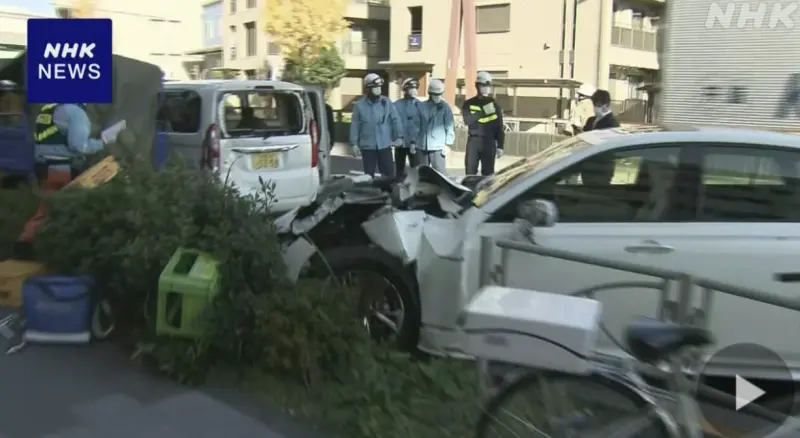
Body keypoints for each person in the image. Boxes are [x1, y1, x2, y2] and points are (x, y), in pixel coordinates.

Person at [16, 103, 121, 256]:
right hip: (61, 168)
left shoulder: (48, 110)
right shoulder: (75, 112)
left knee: (46, 207)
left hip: (44, 167)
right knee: (73, 207)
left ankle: (26, 241)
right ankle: (70, 250)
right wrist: (104, 141)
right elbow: (79, 146)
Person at [349, 73, 403, 177]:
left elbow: (395, 120)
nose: (378, 89)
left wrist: (399, 136)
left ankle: (388, 192)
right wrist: (354, 143)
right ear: (368, 88)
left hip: (385, 145)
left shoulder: (386, 102)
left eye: (379, 87)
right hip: (368, 146)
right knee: (368, 176)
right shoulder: (359, 106)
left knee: (389, 174)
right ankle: (371, 193)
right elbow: (355, 125)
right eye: (375, 87)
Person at [462, 71, 505, 176]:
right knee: (470, 172)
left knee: (488, 175)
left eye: (488, 85)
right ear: (477, 86)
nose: (486, 88)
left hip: (489, 142)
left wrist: (500, 146)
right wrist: (483, 111)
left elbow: (499, 127)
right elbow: (467, 120)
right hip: (473, 141)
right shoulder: (469, 104)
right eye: (483, 85)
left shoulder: (494, 105)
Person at [418, 79, 455, 173]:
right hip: (422, 146)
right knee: (421, 174)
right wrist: (413, 142)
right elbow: (416, 125)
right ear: (430, 94)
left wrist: (448, 144)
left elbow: (450, 126)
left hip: (438, 147)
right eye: (435, 94)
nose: (437, 97)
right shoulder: (422, 106)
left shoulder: (445, 107)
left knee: (441, 175)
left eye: (439, 94)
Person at [392, 78, 422, 176]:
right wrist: (395, 138)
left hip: (415, 144)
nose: (414, 91)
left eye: (416, 88)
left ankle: (416, 190)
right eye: (411, 88)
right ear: (405, 90)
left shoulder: (421, 106)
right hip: (400, 143)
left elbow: (423, 126)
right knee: (399, 170)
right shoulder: (396, 105)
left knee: (416, 170)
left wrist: (415, 141)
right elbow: (391, 123)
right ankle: (399, 189)